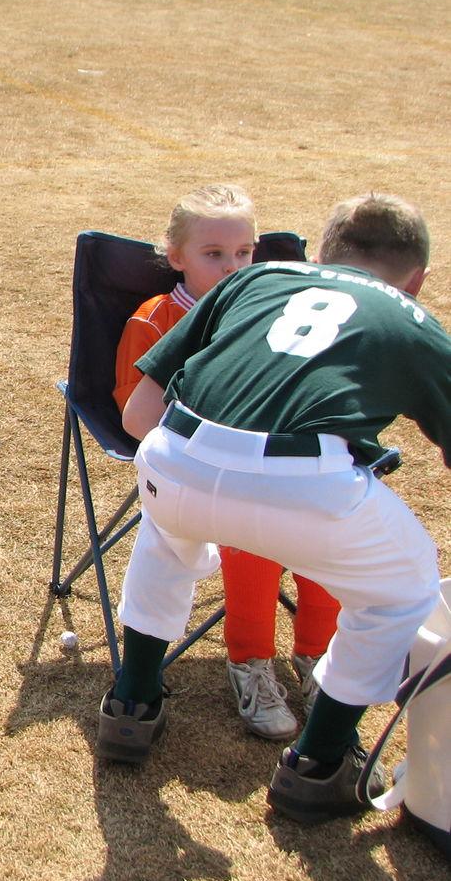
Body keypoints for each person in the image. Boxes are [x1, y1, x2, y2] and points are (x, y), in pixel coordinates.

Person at [98, 192, 451, 824]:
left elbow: (141, 410)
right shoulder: (413, 322)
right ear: (418, 278)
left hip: (177, 455)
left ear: (319, 253)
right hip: (303, 481)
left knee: (167, 537)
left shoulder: (257, 277)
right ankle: (319, 763)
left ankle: (132, 701)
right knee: (405, 586)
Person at [113, 184, 340, 741]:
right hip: (187, 461)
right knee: (254, 538)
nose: (232, 266)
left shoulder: (277, 314)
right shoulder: (154, 319)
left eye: (244, 254)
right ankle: (251, 663)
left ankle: (319, 658)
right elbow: (132, 411)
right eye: (213, 254)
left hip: (268, 457)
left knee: (328, 520)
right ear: (176, 257)